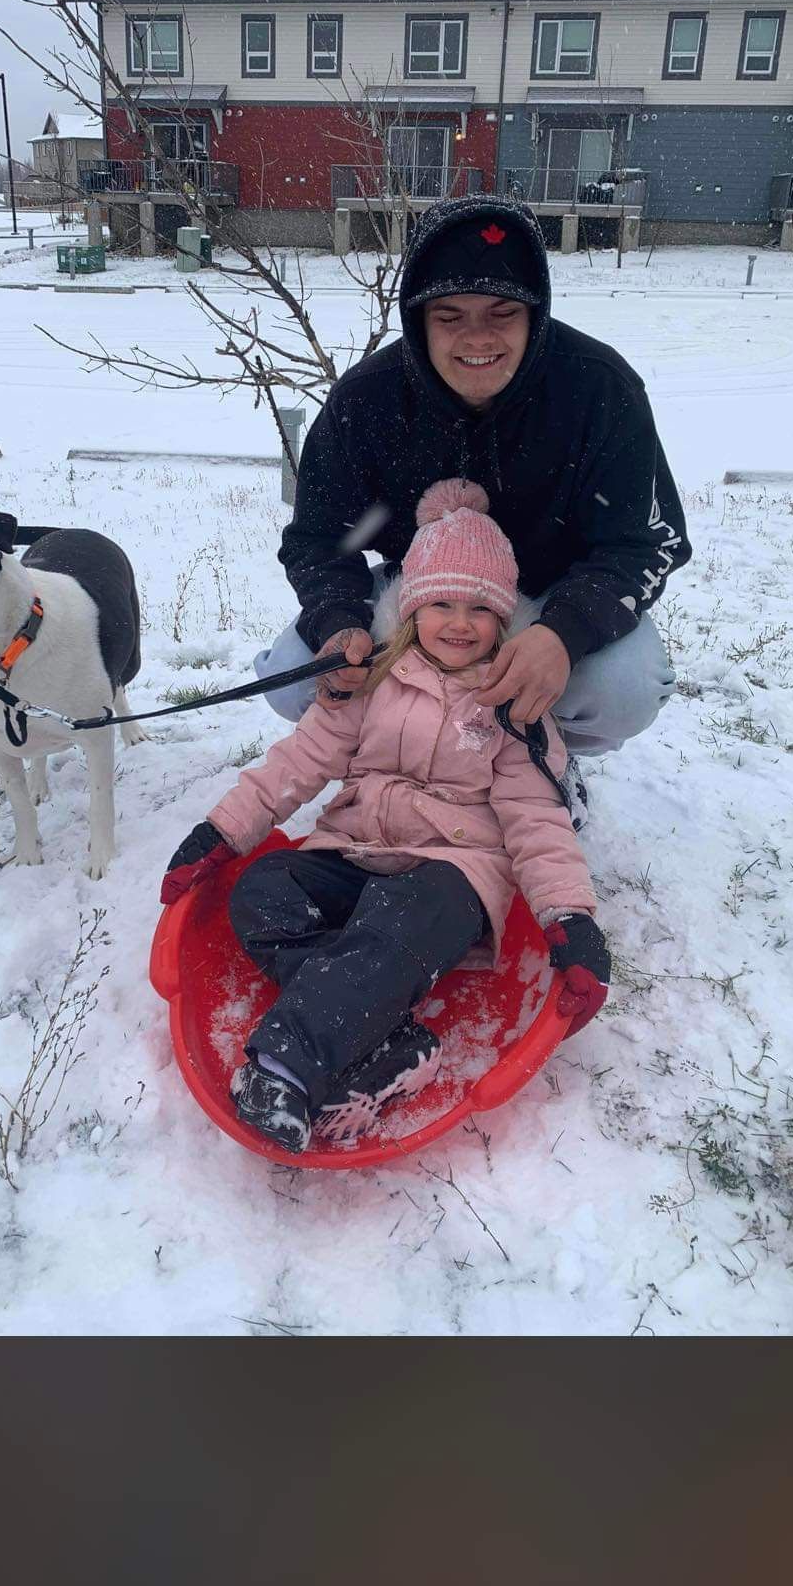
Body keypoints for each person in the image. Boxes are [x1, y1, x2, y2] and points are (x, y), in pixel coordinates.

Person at [160, 481, 609, 1153]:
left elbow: (537, 818)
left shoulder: (514, 707)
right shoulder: (366, 682)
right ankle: (388, 1034)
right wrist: (222, 831)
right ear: (410, 608)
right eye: (442, 603)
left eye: (480, 609)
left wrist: (570, 917)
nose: (460, 623)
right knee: (263, 889)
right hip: (354, 851)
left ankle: (287, 1066)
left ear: (505, 620)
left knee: (401, 920)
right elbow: (298, 762)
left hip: (448, 874)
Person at [256, 192, 691, 828]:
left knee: (623, 690)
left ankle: (545, 757)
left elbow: (646, 542)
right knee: (296, 676)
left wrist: (563, 635)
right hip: (424, 595)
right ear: (418, 319)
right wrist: (339, 620)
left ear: (535, 314)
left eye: (503, 312)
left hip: (553, 594)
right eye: (450, 315)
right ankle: (393, 751)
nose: (477, 337)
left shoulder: (600, 388)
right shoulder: (366, 400)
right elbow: (320, 539)